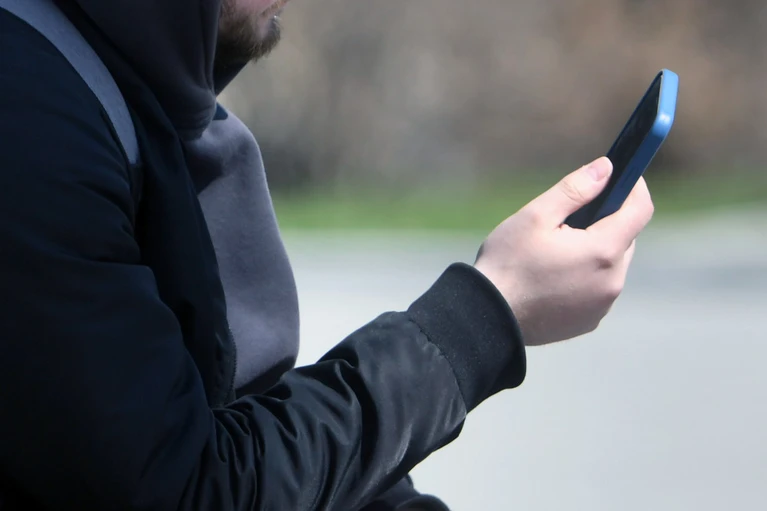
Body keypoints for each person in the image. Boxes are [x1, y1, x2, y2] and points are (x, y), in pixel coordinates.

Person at [0, 1, 654, 510]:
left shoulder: (120, 89)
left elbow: (247, 435)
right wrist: (484, 315)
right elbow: (190, 489)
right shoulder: (31, 120)